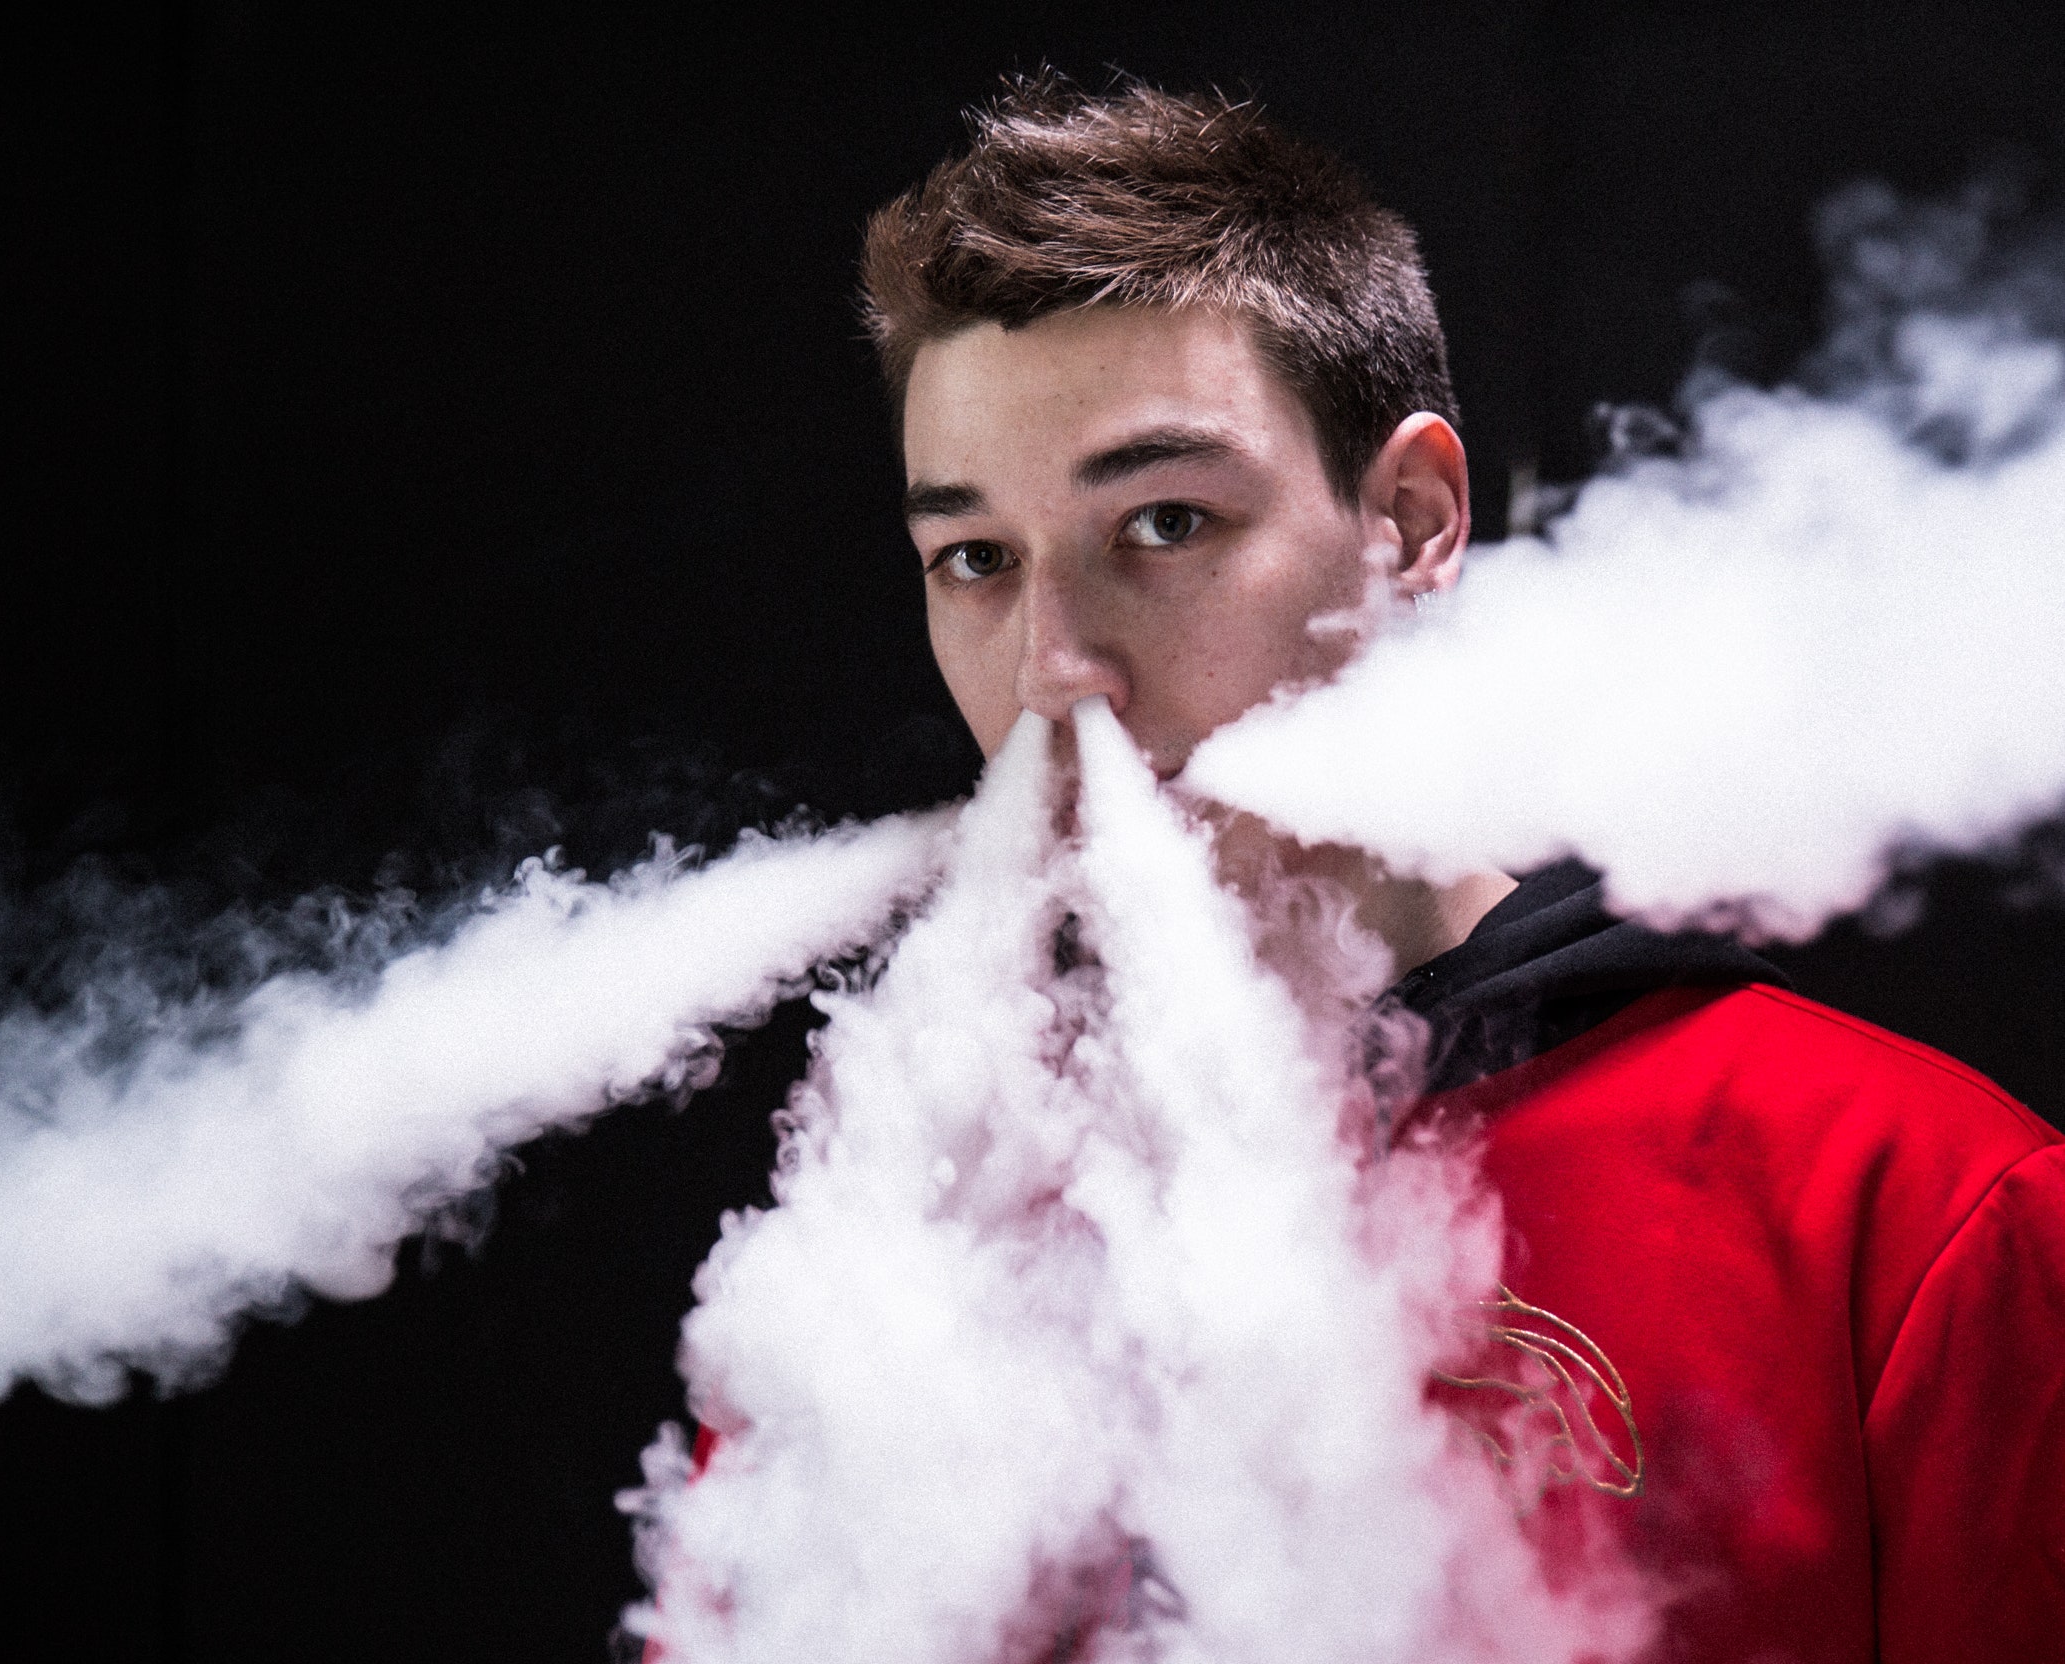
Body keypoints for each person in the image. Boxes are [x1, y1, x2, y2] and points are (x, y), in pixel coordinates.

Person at [857, 74, 2064, 1663]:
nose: (1054, 674)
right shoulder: (895, 1240)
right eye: (975, 559)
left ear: (1412, 523)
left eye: (1164, 525)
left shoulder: (1917, 1213)